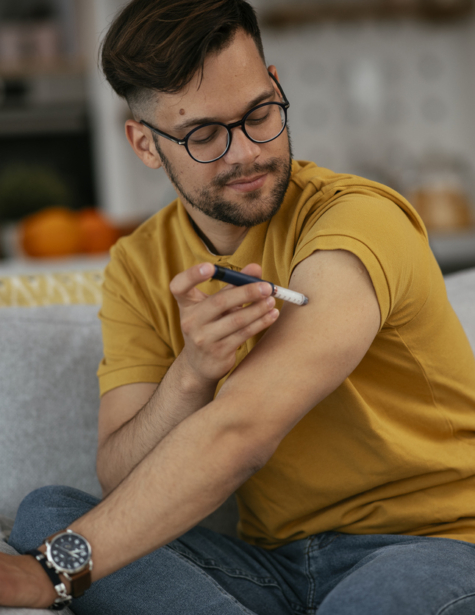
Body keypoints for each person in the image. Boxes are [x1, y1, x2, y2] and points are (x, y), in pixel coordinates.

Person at [2, 0, 475, 612]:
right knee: (50, 512)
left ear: (275, 84)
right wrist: (191, 377)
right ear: (145, 144)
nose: (246, 152)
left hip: (435, 544)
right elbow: (122, 479)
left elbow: (244, 431)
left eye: (259, 114)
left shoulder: (358, 219)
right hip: (276, 567)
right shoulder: (140, 264)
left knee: (65, 550)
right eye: (203, 135)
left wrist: (53, 573)